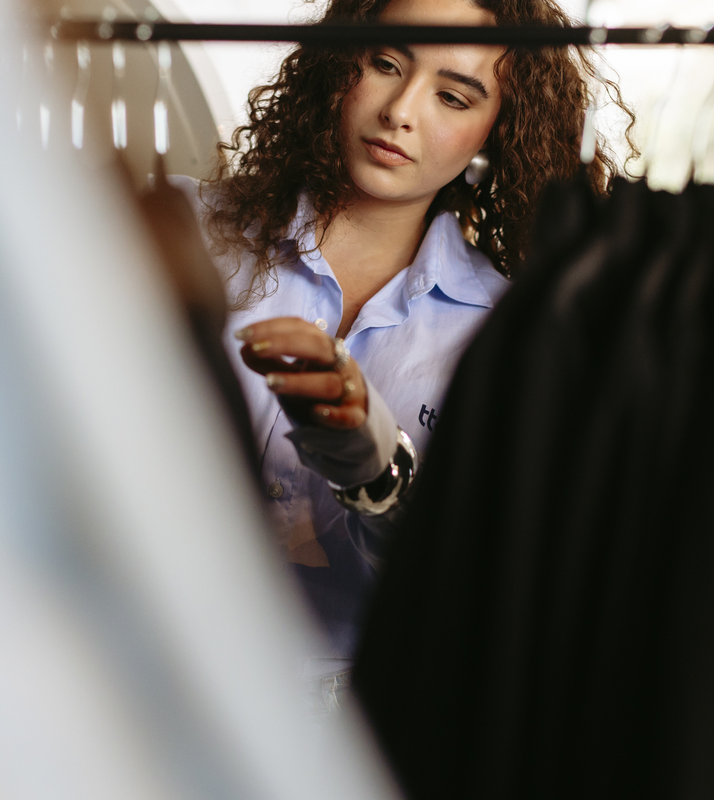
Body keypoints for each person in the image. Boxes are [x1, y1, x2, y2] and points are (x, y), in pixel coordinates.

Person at [173, 0, 630, 689]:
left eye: (453, 96)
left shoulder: (506, 333)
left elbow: (468, 590)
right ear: (339, 63)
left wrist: (375, 469)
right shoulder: (180, 233)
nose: (401, 111)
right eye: (386, 62)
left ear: (497, 129)